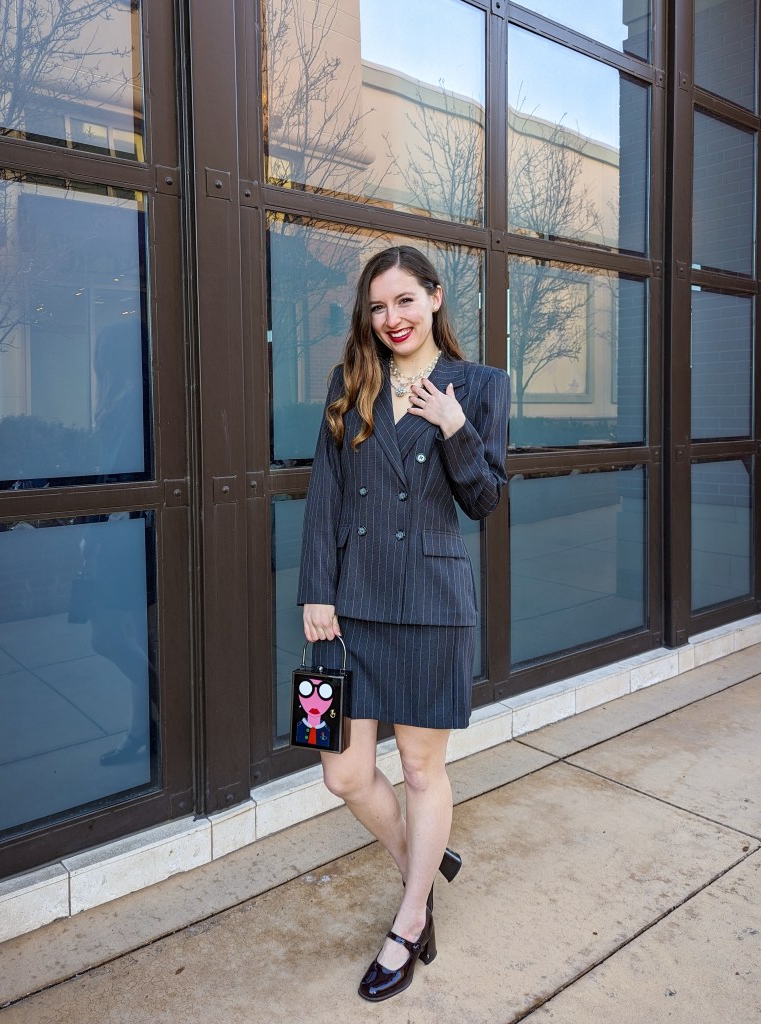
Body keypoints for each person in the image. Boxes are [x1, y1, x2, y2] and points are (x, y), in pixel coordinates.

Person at [298, 245, 510, 1002]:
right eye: (377, 306)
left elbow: (483, 502)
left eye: (404, 302)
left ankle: (411, 915)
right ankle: (424, 858)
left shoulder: (480, 386)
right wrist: (313, 590)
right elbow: (324, 494)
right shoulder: (349, 380)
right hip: (349, 607)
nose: (391, 319)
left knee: (421, 771)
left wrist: (455, 427)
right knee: (343, 773)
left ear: (434, 298)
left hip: (428, 604)